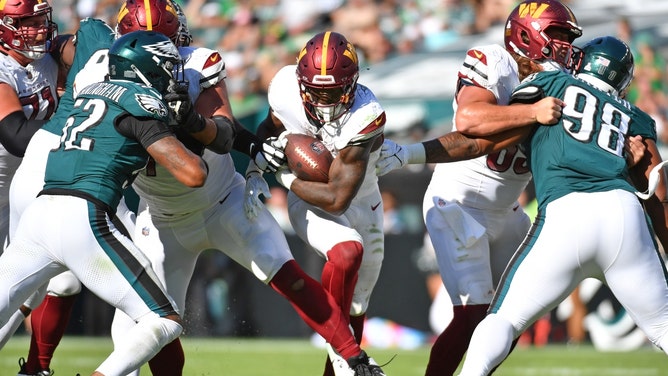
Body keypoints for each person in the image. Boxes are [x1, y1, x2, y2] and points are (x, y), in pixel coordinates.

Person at [382, 35, 668, 375]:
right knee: (664, 326)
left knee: (503, 319)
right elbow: (658, 196)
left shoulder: (549, 83)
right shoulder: (635, 118)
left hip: (567, 211)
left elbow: (480, 140)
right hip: (624, 214)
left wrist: (411, 153)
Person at [376, 1, 582, 374]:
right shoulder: (494, 61)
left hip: (508, 210)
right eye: (558, 35)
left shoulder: (564, 84)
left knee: (511, 317)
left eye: (568, 37)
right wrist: (531, 112)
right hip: (459, 202)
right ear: (524, 35)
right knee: (472, 314)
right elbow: (468, 119)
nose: (566, 45)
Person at [0, 29, 209, 376]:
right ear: (147, 68)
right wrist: (188, 130)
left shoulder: (86, 92)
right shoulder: (141, 101)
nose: (172, 78)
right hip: (84, 217)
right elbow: (193, 174)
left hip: (39, 212)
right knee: (165, 319)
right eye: (167, 68)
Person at [247, 30, 387, 376]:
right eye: (317, 90)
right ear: (300, 81)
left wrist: (283, 176)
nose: (325, 101)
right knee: (346, 253)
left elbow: (339, 198)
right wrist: (266, 151)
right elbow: (269, 128)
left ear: (353, 83)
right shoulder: (283, 88)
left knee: (355, 310)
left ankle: (342, 362)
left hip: (360, 200)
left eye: (335, 91)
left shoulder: (366, 114)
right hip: (308, 197)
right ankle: (348, 361)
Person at [0, 0, 59, 247]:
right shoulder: (4, 69)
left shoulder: (47, 57)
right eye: (32, 24)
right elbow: (17, 137)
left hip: (28, 179)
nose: (42, 29)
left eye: (42, 22)